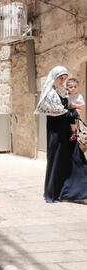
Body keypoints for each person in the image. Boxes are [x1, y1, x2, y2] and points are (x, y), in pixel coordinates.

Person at [34, 66, 87, 204]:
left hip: (68, 133)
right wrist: (74, 113)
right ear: (54, 77)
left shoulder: (62, 92)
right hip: (57, 135)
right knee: (57, 163)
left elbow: (68, 108)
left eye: (64, 78)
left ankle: (80, 193)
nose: (62, 81)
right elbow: (59, 113)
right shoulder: (49, 94)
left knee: (77, 159)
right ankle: (54, 194)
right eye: (60, 78)